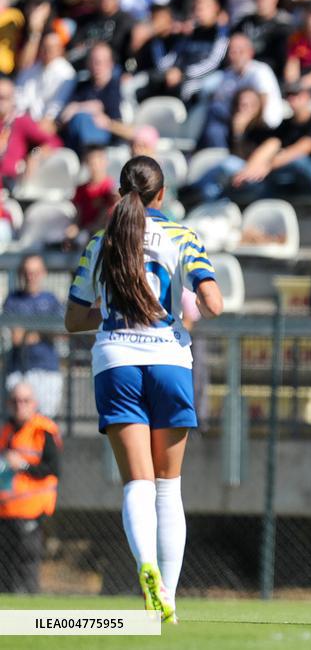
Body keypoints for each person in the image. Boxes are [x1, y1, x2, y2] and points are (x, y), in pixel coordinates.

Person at [64, 156, 223, 622]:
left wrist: (116, 311)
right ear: (163, 191)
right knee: (168, 487)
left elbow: (73, 319)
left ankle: (145, 567)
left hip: (116, 361)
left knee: (138, 482)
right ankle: (168, 599)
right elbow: (213, 304)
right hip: (169, 361)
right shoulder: (182, 236)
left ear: (120, 191)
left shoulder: (102, 239)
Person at [228, 82, 311, 204]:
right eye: (288, 95)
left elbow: (301, 149)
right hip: (293, 181)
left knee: (297, 160)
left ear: (307, 97)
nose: (291, 99)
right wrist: (239, 133)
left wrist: (267, 166)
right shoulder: (285, 125)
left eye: (296, 94)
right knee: (261, 186)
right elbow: (268, 145)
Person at [0, 382, 61, 594]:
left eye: (25, 401)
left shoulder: (43, 430)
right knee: (5, 570)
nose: (20, 406)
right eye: (15, 401)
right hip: (5, 510)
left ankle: (29, 620)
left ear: (34, 403)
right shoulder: (6, 429)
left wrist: (23, 465)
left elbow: (53, 469)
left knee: (26, 567)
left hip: (31, 511)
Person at [3, 255, 63, 418]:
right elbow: (15, 337)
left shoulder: (51, 300)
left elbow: (62, 333)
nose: (31, 277)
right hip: (19, 369)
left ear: (43, 273)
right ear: (22, 274)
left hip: (47, 369)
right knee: (19, 422)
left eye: (35, 272)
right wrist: (44, 332)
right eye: (28, 272)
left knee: (45, 422)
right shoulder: (13, 300)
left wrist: (29, 332)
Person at [198, 32, 282, 149]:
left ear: (250, 53)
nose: (236, 55)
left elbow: (263, 102)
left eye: (240, 51)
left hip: (263, 127)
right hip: (240, 124)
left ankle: (220, 156)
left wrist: (242, 122)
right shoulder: (228, 75)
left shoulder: (260, 71)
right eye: (232, 52)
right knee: (214, 111)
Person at [232, 0, 293, 79]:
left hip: (268, 76)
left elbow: (281, 61)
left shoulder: (283, 26)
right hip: (238, 72)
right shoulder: (244, 22)